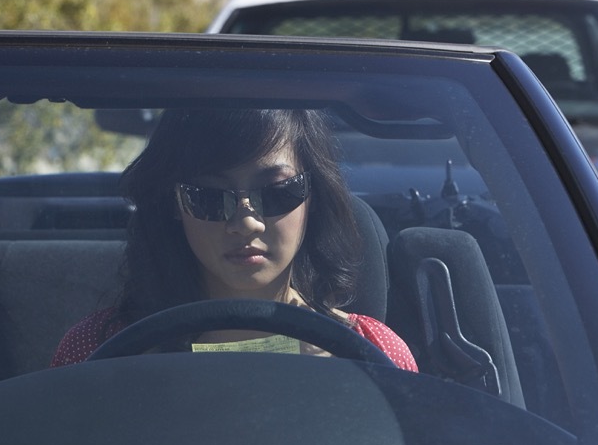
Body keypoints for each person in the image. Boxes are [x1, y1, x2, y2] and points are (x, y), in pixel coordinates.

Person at [51, 107, 417, 370]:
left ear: (314, 196)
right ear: (173, 204)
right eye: (209, 198)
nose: (246, 223)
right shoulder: (97, 353)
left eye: (277, 192)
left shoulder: (376, 353)